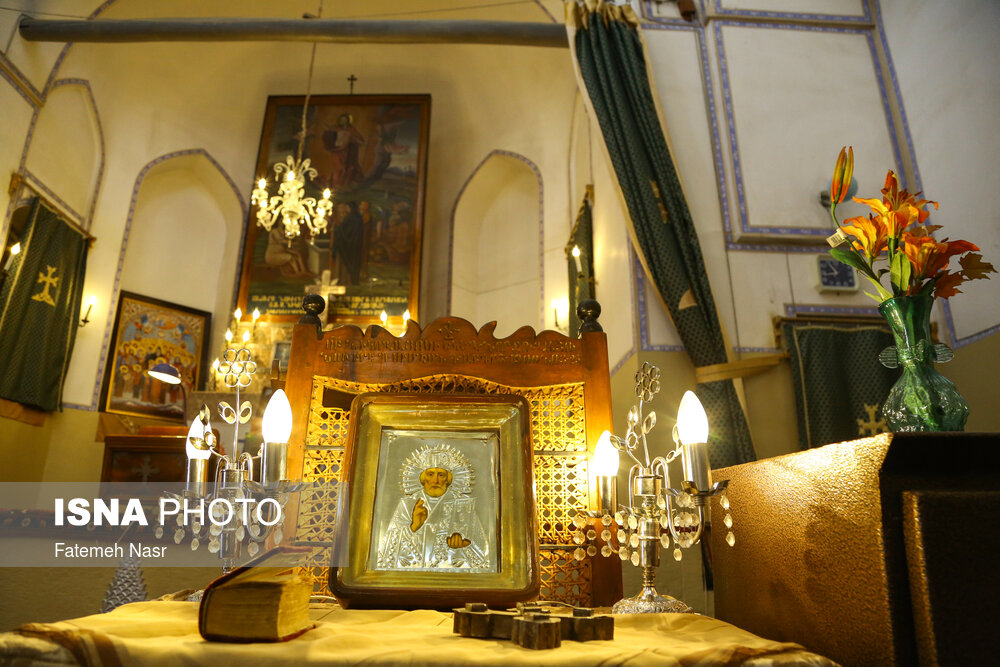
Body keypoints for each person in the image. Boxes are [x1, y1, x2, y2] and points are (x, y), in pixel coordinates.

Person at [376, 443, 489, 571]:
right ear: (423, 478)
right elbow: (386, 551)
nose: (435, 480)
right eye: (430, 474)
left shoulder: (462, 506)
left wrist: (462, 545)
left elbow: (482, 553)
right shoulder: (408, 505)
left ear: (448, 479)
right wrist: (413, 527)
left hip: (452, 574)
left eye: (441, 475)